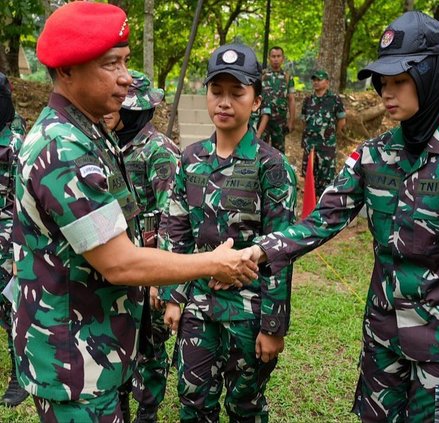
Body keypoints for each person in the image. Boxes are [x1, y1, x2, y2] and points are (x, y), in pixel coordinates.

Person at [227, 11, 439, 422]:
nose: (386, 93)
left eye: (399, 81)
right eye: (383, 82)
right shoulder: (372, 155)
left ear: (433, 77)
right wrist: (260, 250)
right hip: (383, 336)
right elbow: (320, 220)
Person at [11, 3, 256, 422]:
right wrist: (214, 262)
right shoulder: (65, 150)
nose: (126, 77)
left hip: (94, 349)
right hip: (75, 364)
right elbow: (120, 264)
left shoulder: (87, 132)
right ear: (67, 70)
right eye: (111, 64)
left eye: (125, 61)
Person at [162, 43, 297, 422]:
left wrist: (273, 326)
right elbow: (177, 231)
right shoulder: (190, 160)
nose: (224, 102)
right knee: (193, 400)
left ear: (256, 101)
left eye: (236, 93)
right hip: (198, 307)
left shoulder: (272, 167)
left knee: (245, 406)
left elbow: (281, 252)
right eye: (216, 91)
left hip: (248, 310)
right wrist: (175, 298)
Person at [104, 70, 180, 423]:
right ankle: (121, 401)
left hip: (148, 264)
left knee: (149, 344)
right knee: (120, 338)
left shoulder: (159, 152)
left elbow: (172, 217)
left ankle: (147, 410)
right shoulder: (109, 147)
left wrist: (159, 281)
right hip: (119, 263)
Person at [0, 73, 29, 408]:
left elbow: (25, 203)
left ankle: (20, 376)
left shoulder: (18, 141)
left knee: (13, 307)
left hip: (11, 238)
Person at [301, 70, 346, 199]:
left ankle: (324, 205)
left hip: (326, 146)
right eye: (314, 80)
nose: (316, 82)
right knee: (310, 176)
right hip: (310, 145)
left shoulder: (334, 100)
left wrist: (330, 135)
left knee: (326, 177)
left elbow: (342, 121)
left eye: (319, 80)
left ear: (327, 82)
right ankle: (310, 206)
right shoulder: (308, 100)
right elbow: (304, 121)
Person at [260, 46, 295, 153]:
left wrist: (291, 121)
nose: (276, 59)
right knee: (260, 150)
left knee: (279, 152)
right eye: (273, 56)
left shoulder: (288, 77)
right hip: (262, 121)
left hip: (280, 121)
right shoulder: (262, 75)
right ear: (269, 58)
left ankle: (278, 170)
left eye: (278, 56)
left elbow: (291, 99)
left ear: (282, 58)